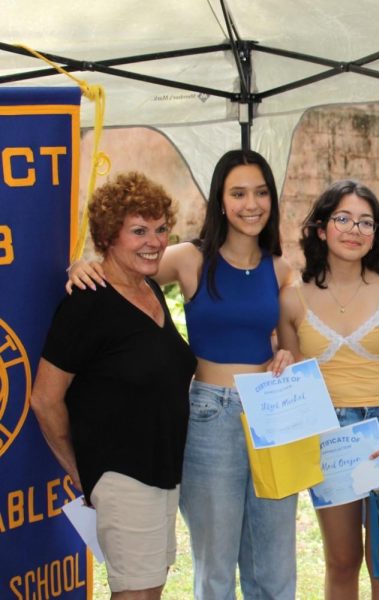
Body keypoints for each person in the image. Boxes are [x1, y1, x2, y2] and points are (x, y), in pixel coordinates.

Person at [66, 150, 297, 600]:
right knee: (215, 567)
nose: (251, 204)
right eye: (238, 193)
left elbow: (292, 346)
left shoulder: (281, 269)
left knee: (275, 564)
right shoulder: (190, 259)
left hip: (273, 417)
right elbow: (125, 264)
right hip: (212, 416)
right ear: (220, 201)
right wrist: (81, 265)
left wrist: (287, 355)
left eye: (261, 192)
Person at [32, 172, 197, 599]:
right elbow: (45, 399)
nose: (155, 241)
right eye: (138, 231)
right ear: (108, 237)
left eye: (161, 230)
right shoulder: (87, 301)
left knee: (149, 589)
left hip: (162, 472)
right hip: (123, 478)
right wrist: (84, 471)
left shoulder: (149, 289)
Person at [277, 180, 379, 599]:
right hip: (329, 434)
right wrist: (281, 365)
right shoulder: (291, 300)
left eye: (366, 222)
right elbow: (295, 381)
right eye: (343, 218)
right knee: (342, 560)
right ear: (321, 229)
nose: (354, 230)